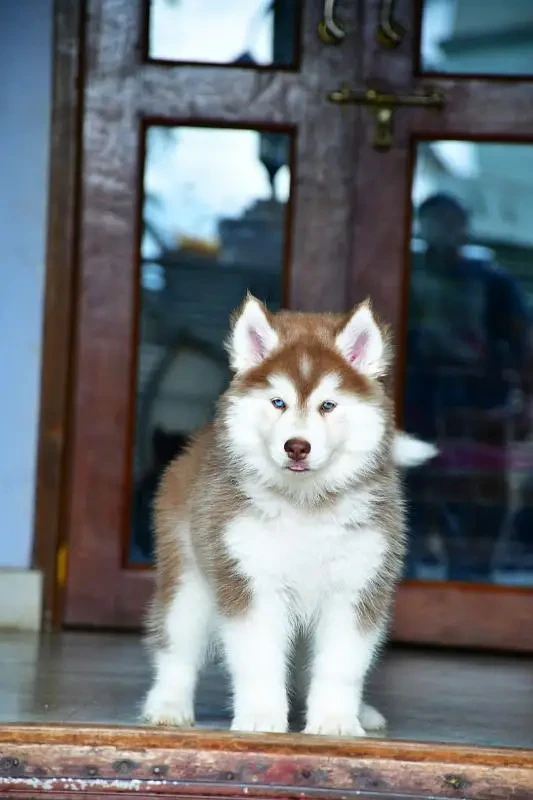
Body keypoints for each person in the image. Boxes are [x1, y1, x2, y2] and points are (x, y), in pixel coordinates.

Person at [404, 193, 532, 581]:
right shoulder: (401, 275)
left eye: (450, 222)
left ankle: (471, 586)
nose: (443, 231)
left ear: (463, 227)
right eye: (434, 221)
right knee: (413, 504)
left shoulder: (492, 283)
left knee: (478, 508)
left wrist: (524, 401)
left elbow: (524, 343)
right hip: (415, 408)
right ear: (422, 226)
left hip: (478, 415)